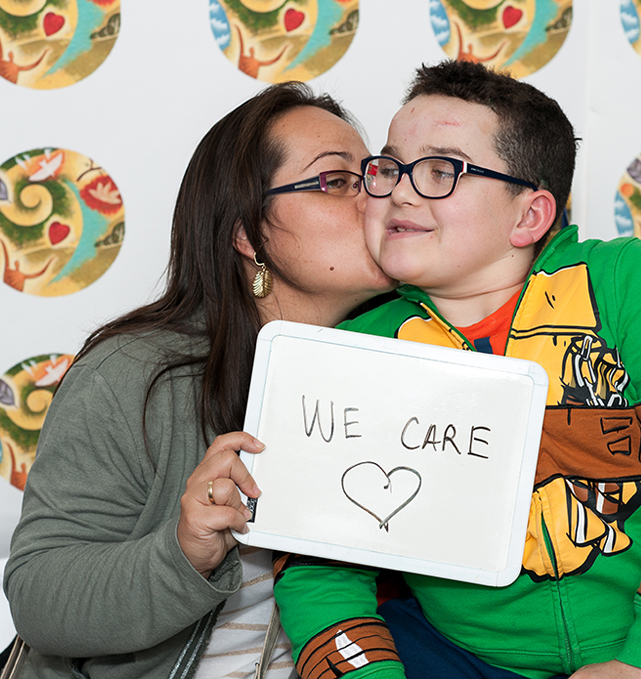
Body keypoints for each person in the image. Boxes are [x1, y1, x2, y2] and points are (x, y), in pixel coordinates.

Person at [272, 61, 641, 679]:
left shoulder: (624, 282)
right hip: (459, 653)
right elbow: (318, 564)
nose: (399, 190)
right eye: (390, 167)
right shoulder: (355, 348)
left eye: (440, 170)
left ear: (529, 216)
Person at [2, 82, 394, 678]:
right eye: (335, 181)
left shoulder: (413, 368)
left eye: (375, 177)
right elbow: (39, 596)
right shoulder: (133, 375)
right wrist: (183, 552)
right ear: (248, 235)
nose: (376, 200)